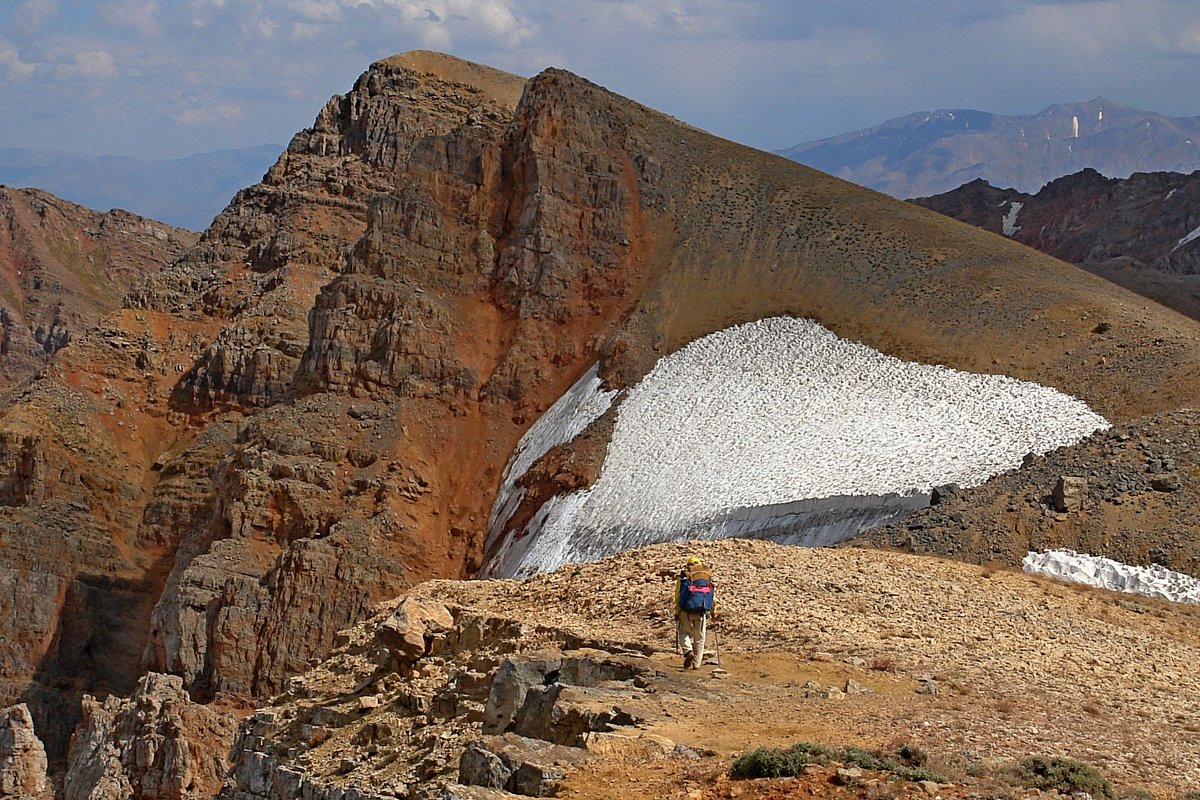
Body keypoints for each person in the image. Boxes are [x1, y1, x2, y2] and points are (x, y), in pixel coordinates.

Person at [675, 556, 715, 670]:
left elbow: (678, 595)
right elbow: (712, 596)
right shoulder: (706, 577)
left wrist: (677, 612)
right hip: (701, 611)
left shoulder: (685, 576)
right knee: (700, 638)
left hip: (685, 611)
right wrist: (712, 612)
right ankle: (696, 664)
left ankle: (688, 651)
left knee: (683, 632)